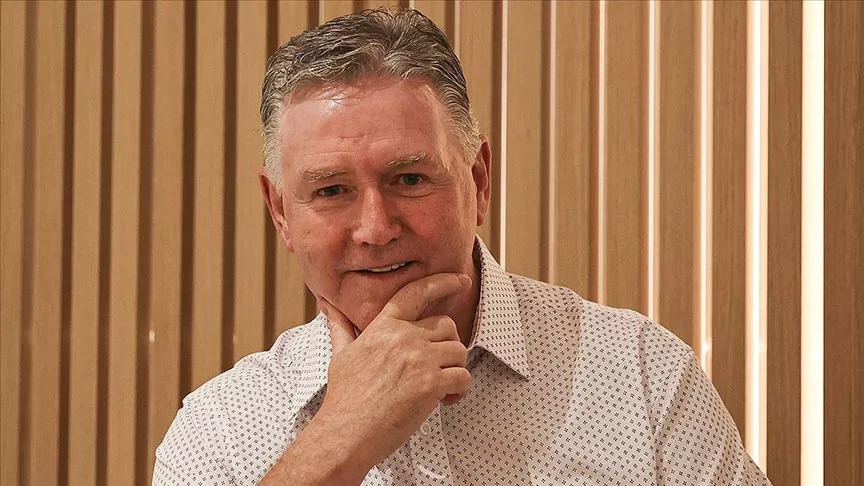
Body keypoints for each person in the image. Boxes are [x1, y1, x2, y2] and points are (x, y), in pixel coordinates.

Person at [154, 8, 770, 486]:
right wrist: (336, 441)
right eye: (332, 190)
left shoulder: (639, 373)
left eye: (409, 179)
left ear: (478, 180)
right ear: (280, 212)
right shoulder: (219, 429)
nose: (375, 228)